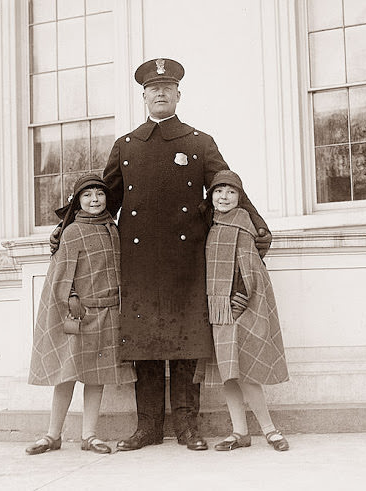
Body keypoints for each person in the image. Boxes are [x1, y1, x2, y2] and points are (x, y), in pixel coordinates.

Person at [51, 58, 272, 452]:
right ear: (144, 96)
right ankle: (148, 427)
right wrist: (66, 224)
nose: (160, 93)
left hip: (188, 261)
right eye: (154, 89)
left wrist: (256, 228)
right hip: (137, 264)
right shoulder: (127, 145)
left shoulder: (199, 141)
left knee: (187, 344)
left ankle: (187, 428)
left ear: (177, 95)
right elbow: (106, 198)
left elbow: (226, 186)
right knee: (145, 345)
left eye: (167, 88)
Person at [26, 174, 136, 456]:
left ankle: (90, 435)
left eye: (99, 194)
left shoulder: (113, 229)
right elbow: (62, 272)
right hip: (80, 314)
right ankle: (53, 434)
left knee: (96, 375)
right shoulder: (73, 231)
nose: (94, 200)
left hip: (108, 311)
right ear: (77, 202)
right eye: (87, 196)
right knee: (67, 374)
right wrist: (71, 297)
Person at [194, 169, 289, 452]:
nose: (224, 196)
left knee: (246, 371)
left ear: (240, 197)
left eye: (231, 191)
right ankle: (239, 432)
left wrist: (241, 296)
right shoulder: (208, 224)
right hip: (216, 307)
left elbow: (251, 267)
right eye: (219, 191)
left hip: (238, 308)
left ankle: (270, 430)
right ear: (210, 195)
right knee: (228, 372)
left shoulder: (243, 223)